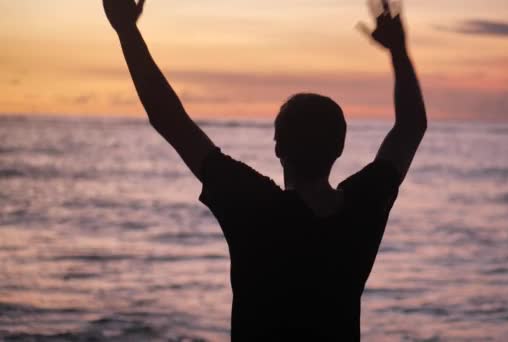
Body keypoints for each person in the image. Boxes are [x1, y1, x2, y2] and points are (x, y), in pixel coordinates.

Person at [103, 0, 426, 340]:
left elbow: (169, 119)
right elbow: (411, 126)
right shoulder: (363, 208)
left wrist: (127, 31)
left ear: (278, 148)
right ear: (339, 149)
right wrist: (399, 52)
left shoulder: (254, 206)